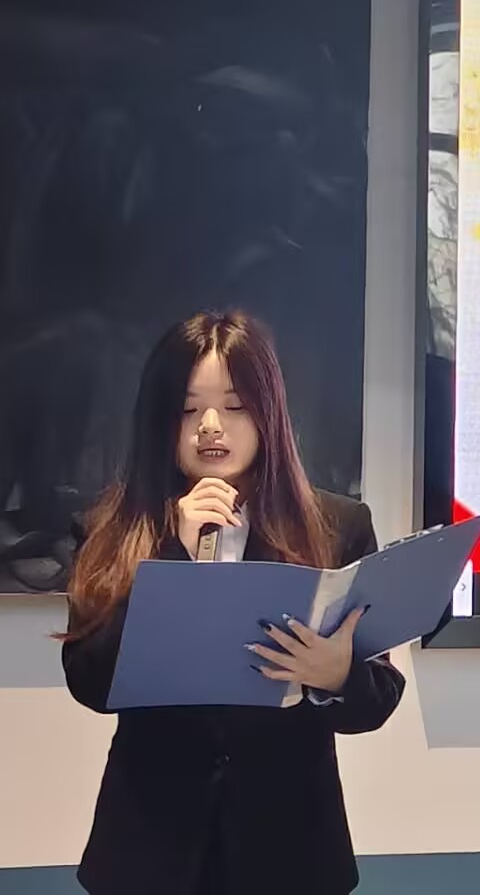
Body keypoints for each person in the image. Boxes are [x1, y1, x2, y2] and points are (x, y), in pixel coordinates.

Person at [60, 311, 402, 894]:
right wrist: (171, 552)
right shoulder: (113, 528)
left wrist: (335, 675)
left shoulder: (336, 526)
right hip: (151, 854)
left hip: (291, 851)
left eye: (235, 406)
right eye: (188, 409)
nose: (211, 427)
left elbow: (376, 699)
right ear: (160, 420)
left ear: (269, 414)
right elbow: (91, 682)